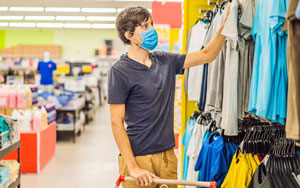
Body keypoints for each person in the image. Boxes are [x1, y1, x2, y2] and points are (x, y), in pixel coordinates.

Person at [108, 5, 231, 188]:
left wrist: (227, 24)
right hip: (138, 157)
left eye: (151, 24)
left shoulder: (165, 61)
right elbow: (116, 122)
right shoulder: (120, 71)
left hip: (167, 156)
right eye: (145, 26)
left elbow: (207, 55)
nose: (152, 30)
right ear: (128, 35)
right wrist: (132, 167)